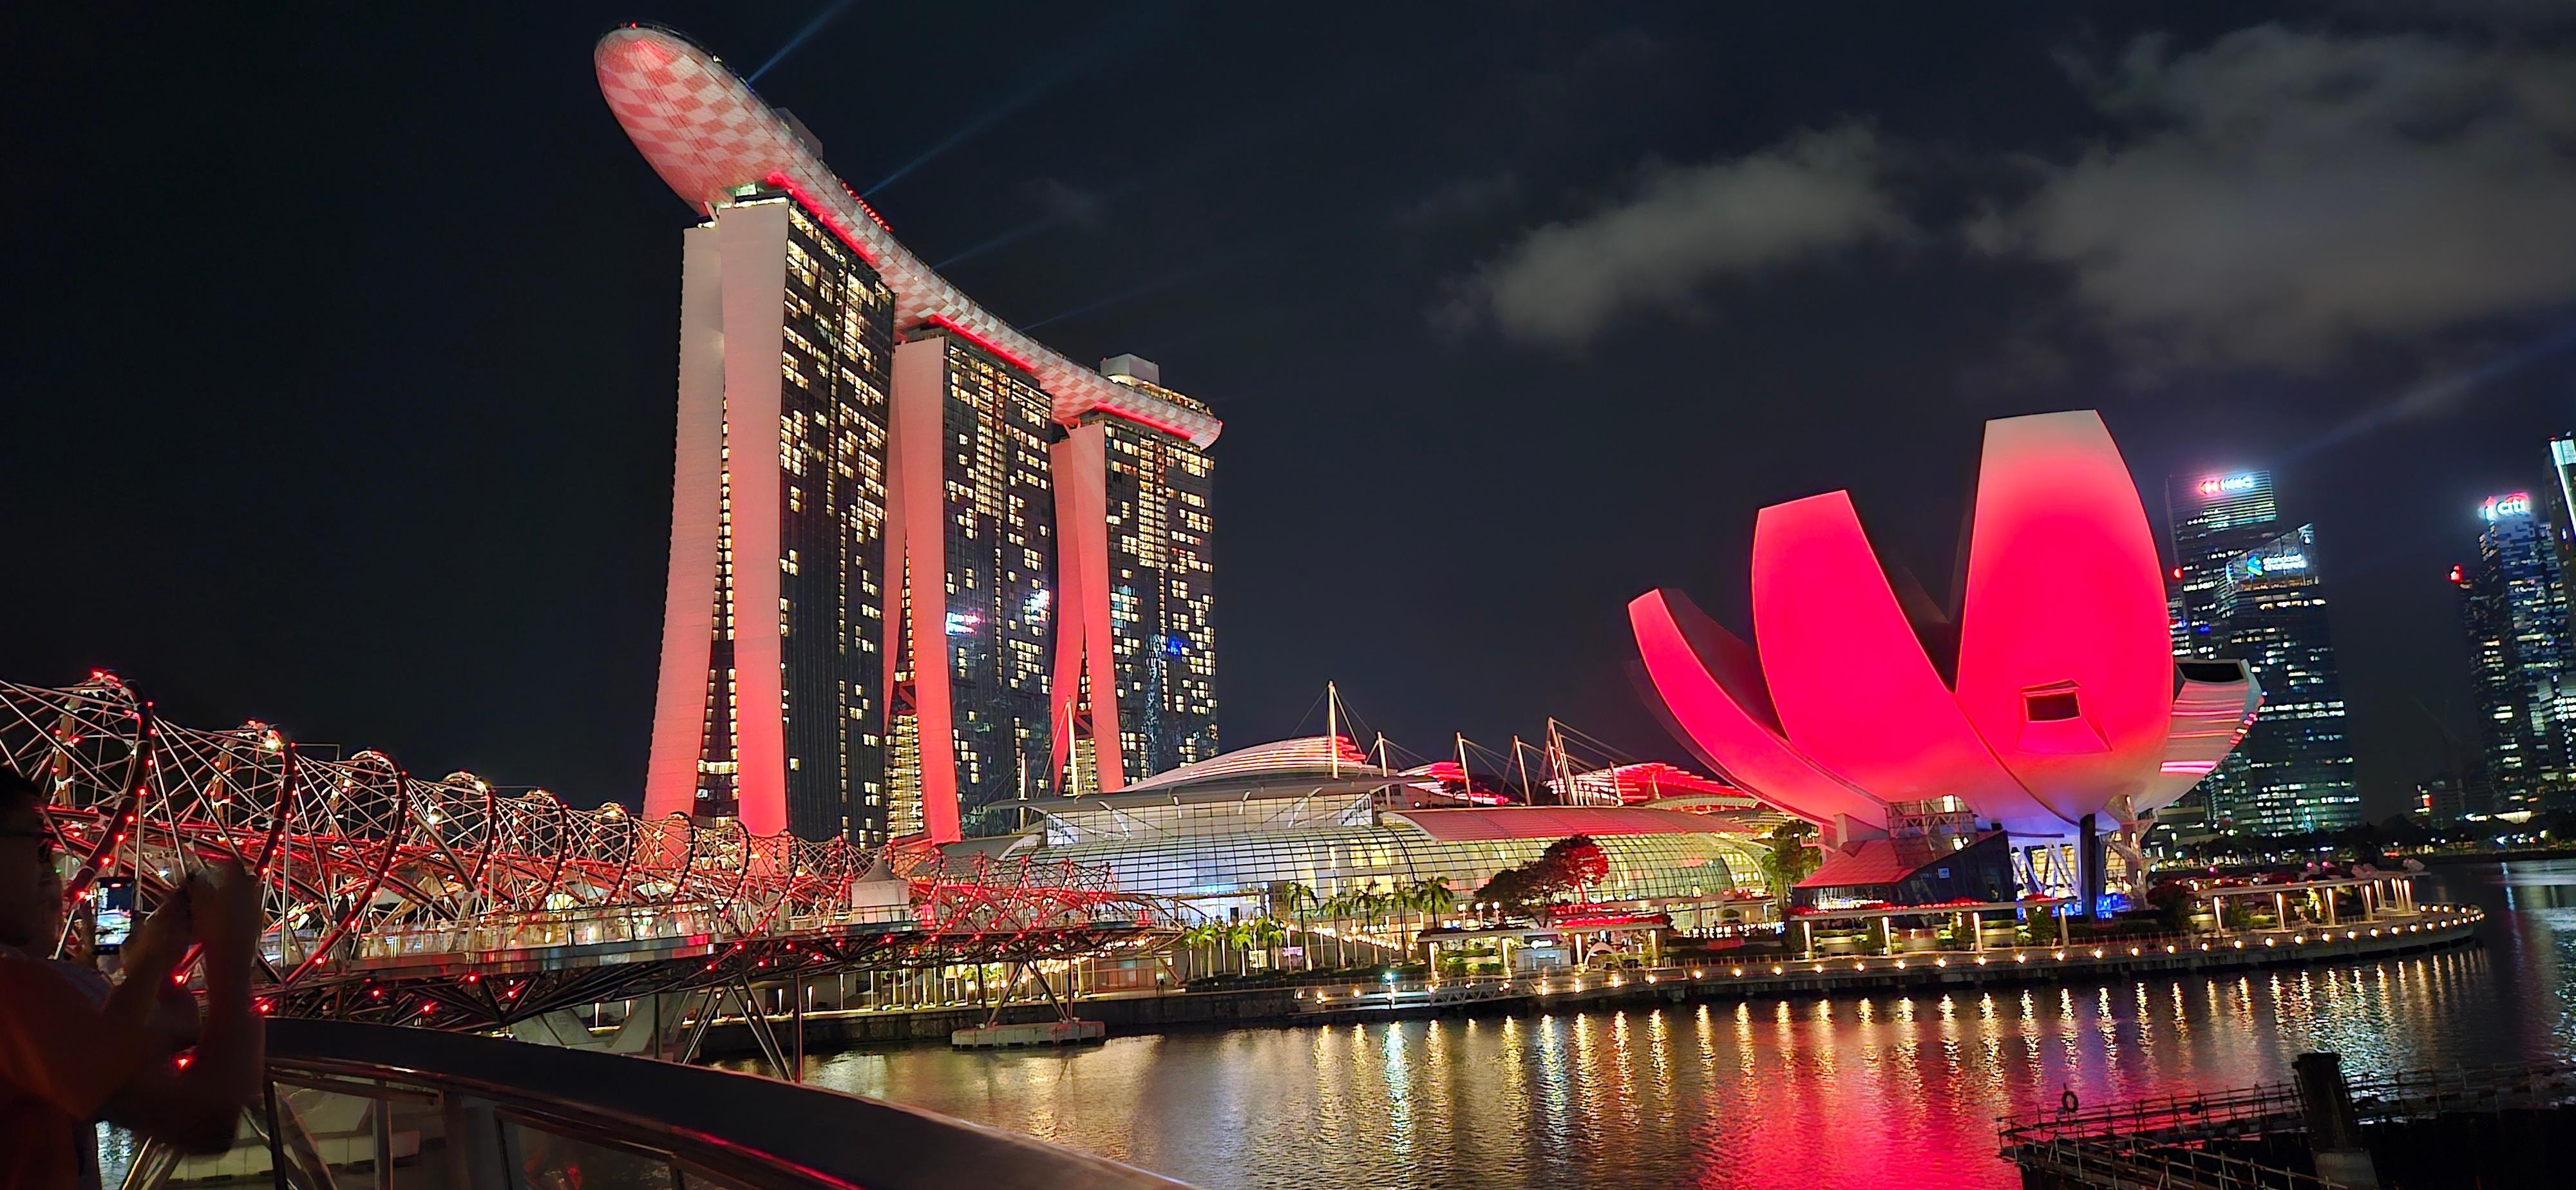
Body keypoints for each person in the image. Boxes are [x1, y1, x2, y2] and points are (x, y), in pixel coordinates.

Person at [1, 766, 264, 1189]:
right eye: (37, 846)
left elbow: (96, 1060)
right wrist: (230, 955)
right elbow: (206, 1122)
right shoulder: (13, 991)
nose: (47, 870)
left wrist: (151, 965)